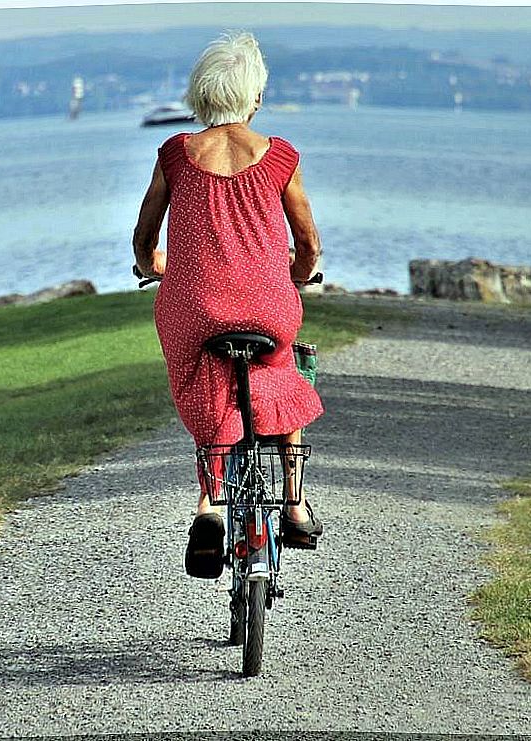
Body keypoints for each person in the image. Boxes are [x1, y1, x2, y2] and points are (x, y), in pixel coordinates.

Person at [131, 31, 325, 578]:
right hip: (267, 305)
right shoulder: (281, 156)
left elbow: (145, 235)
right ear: (255, 97)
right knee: (284, 371)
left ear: (200, 96)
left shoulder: (175, 154)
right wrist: (297, 274)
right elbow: (307, 242)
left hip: (194, 306)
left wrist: (153, 266)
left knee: (201, 376)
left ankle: (210, 505)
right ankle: (293, 502)